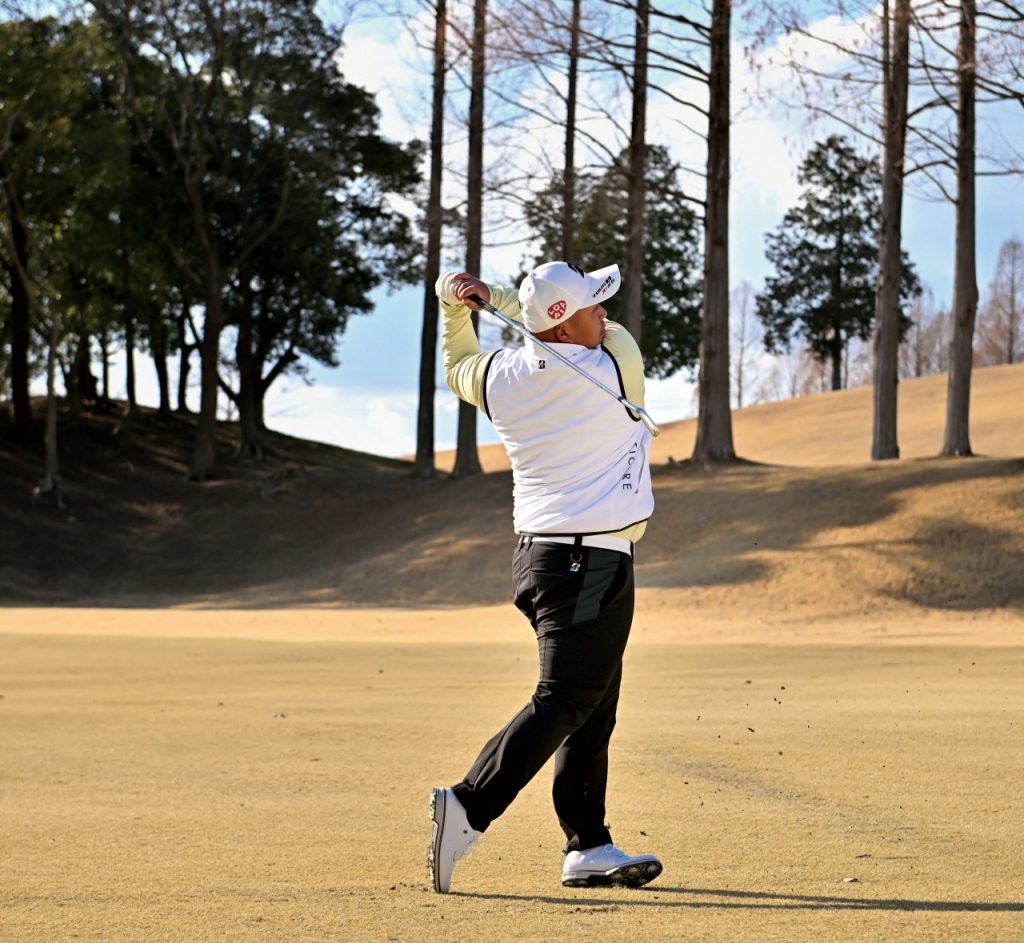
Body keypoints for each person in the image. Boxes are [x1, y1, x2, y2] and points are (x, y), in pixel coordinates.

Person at [428, 261, 662, 894]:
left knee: (593, 702)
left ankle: (589, 845)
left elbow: (458, 366)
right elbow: (609, 335)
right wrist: (501, 299)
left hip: (554, 559)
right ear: (563, 327)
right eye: (591, 306)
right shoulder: (613, 365)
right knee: (565, 698)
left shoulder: (501, 378)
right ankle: (469, 805)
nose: (604, 314)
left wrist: (457, 308)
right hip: (584, 562)